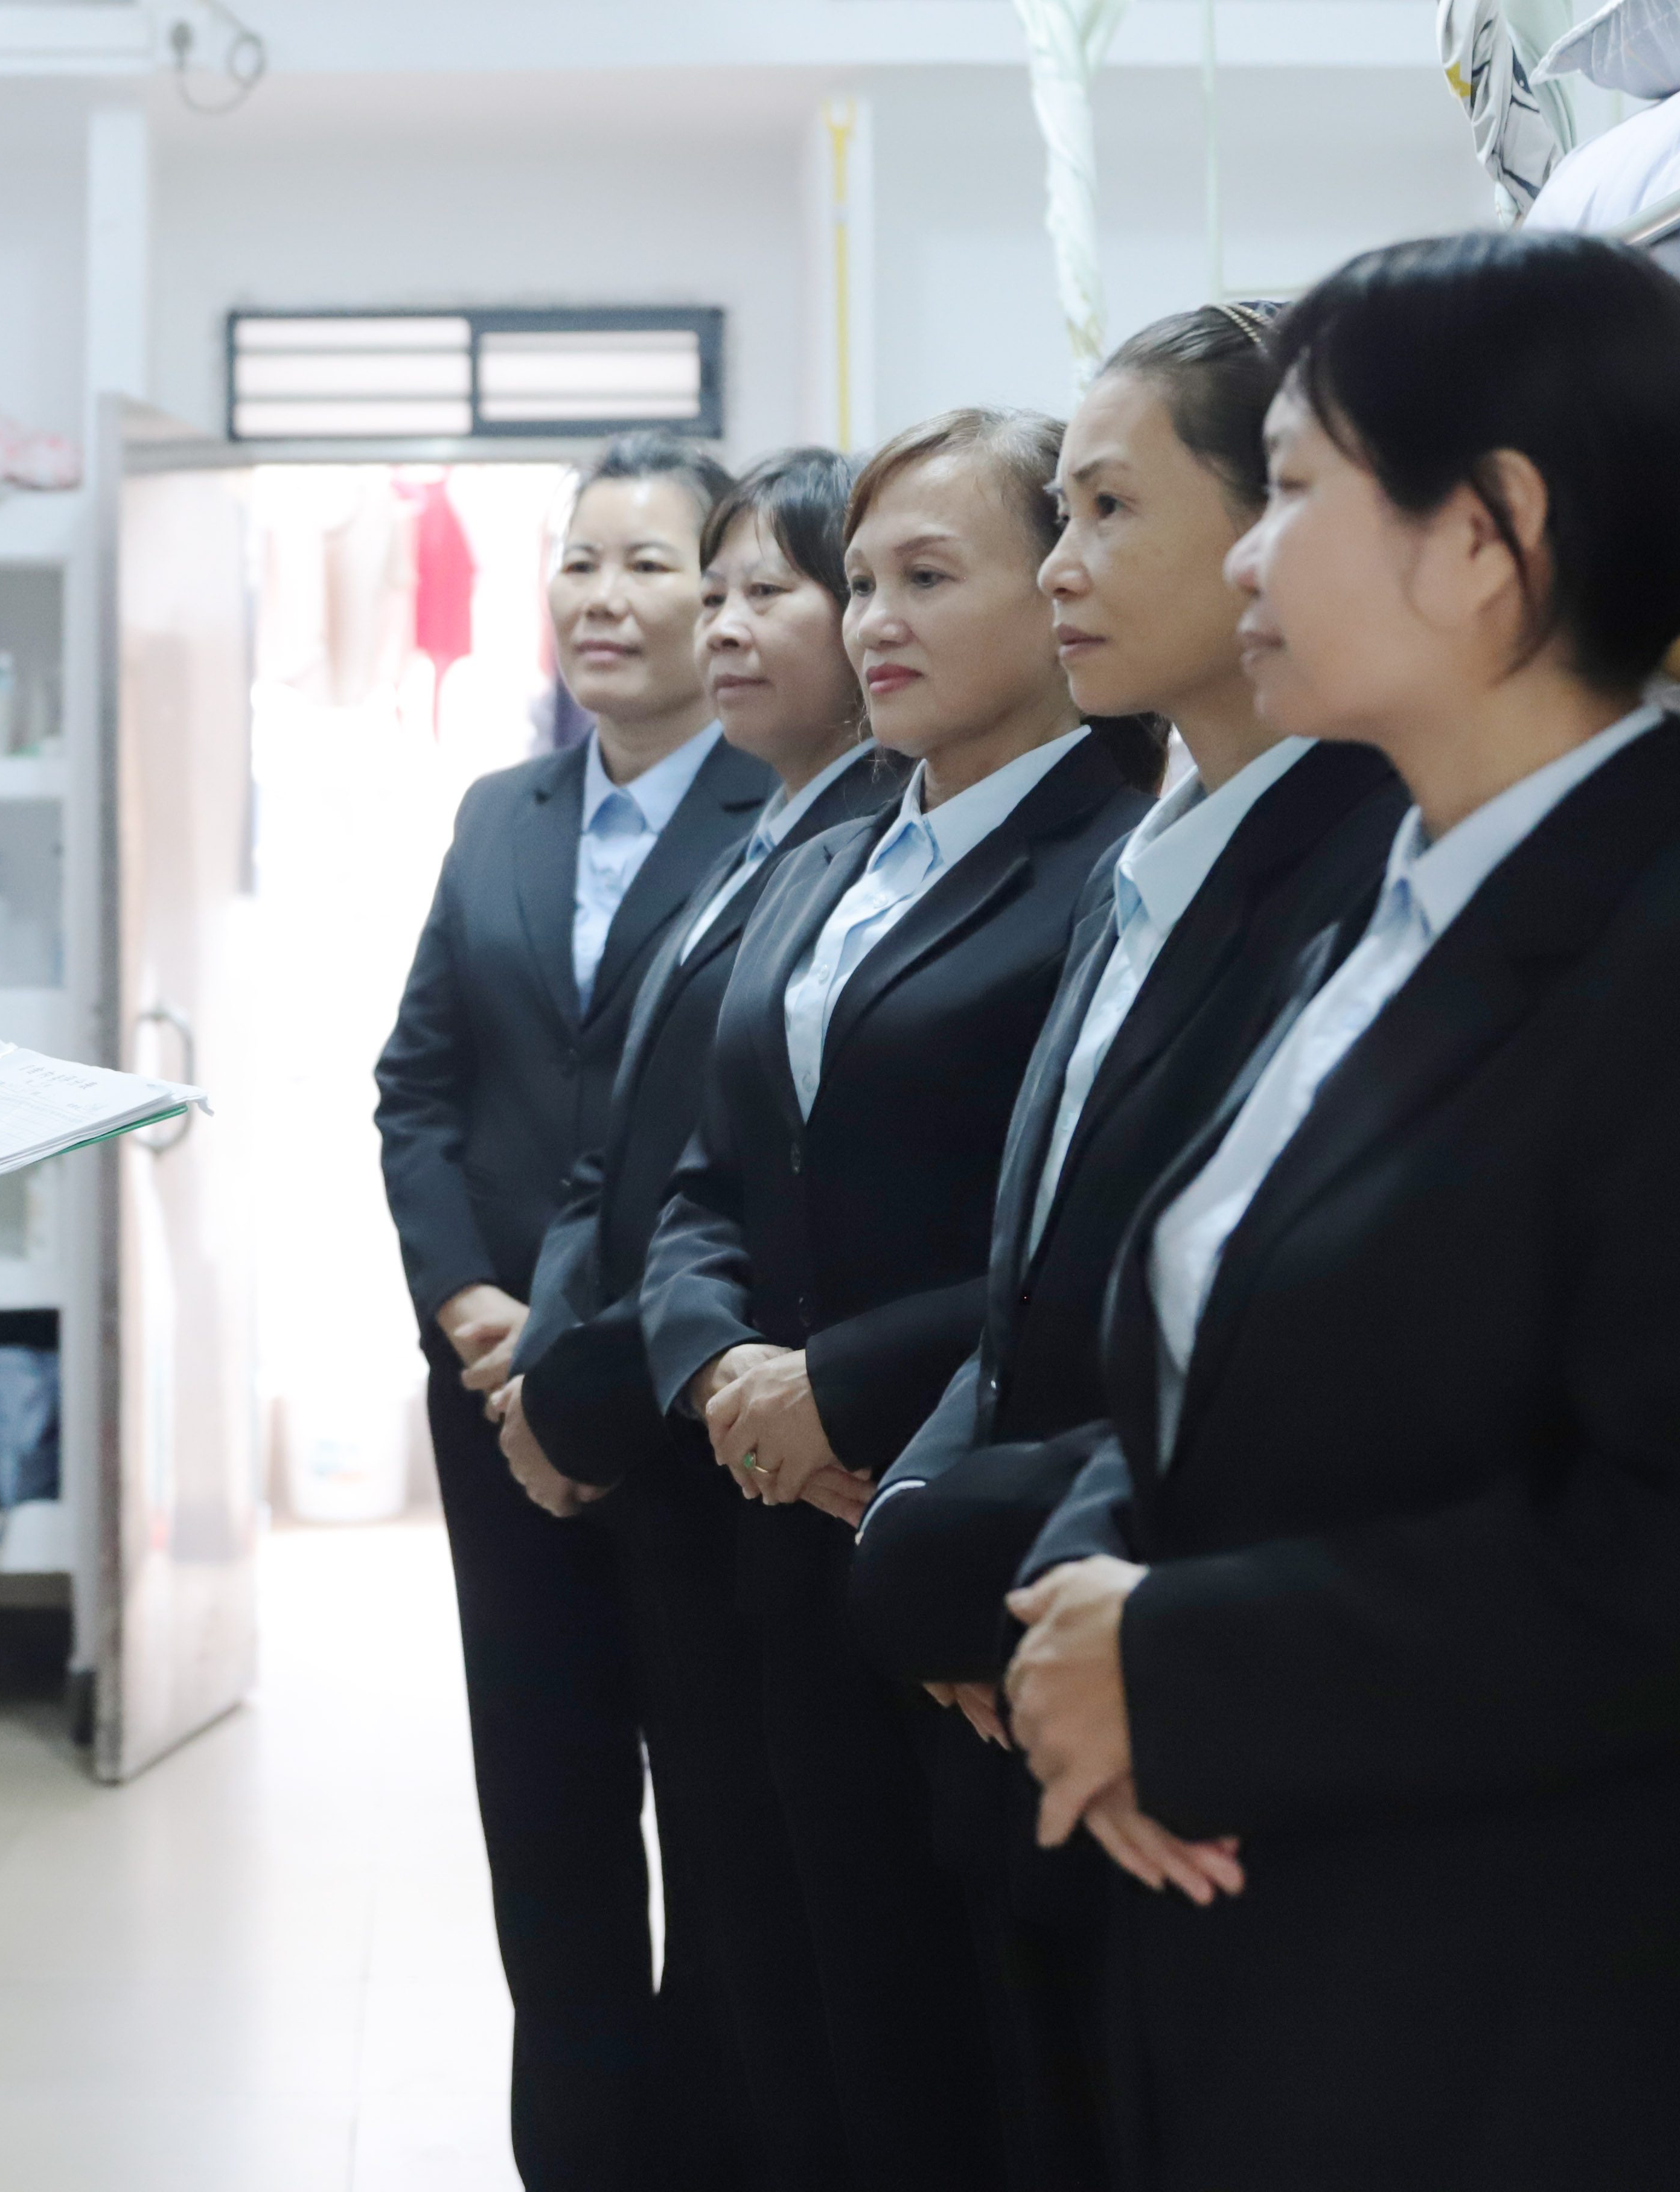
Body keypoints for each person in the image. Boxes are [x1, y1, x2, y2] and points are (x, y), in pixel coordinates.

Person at [998, 230, 1680, 2192]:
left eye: (1296, 490)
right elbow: (1197, 1356)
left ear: (1487, 539)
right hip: (1263, 1979)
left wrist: (1177, 1668)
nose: (1248, 559)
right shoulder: (1379, 919)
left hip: (1520, 2042)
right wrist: (1096, 1623)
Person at [840, 305, 1404, 2187]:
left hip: (1171, 1679)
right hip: (1023, 1667)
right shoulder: (1148, 857)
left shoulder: (1365, 871)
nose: (1061, 565)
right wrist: (932, 1530)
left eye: (1104, 511)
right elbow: (1027, 1286)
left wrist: (993, 1563)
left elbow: (1296, 1350)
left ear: (1272, 525)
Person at [640, 409, 1149, 2188]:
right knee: (814, 2013)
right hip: (776, 1513)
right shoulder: (842, 841)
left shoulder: (1117, 858)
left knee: (972, 2055)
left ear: (1057, 590)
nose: (875, 622)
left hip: (963, 1512)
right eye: (859, 583)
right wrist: (723, 1371)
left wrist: (840, 1392)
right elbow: (706, 1170)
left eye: (929, 577)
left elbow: (1085, 1234)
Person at [372, 433, 777, 2190]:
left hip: (685, 1409)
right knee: (548, 1825)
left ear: (728, 597)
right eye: (580, 560)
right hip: (494, 1408)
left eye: (649, 563)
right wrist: (470, 1302)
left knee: (723, 1822)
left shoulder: (794, 810)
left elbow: (727, 1135)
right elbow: (419, 1086)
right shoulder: (501, 817)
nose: (602, 599)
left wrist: (578, 1345)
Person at [493, 448, 898, 2191]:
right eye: (709, 591)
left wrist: (581, 1393)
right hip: (640, 1393)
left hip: (758, 1445)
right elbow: (604, 1151)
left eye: (760, 590)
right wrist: (527, 1359)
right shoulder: (779, 839)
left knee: (778, 1925)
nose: (724, 626)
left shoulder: (840, 832)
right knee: (674, 1879)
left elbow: (713, 1176)